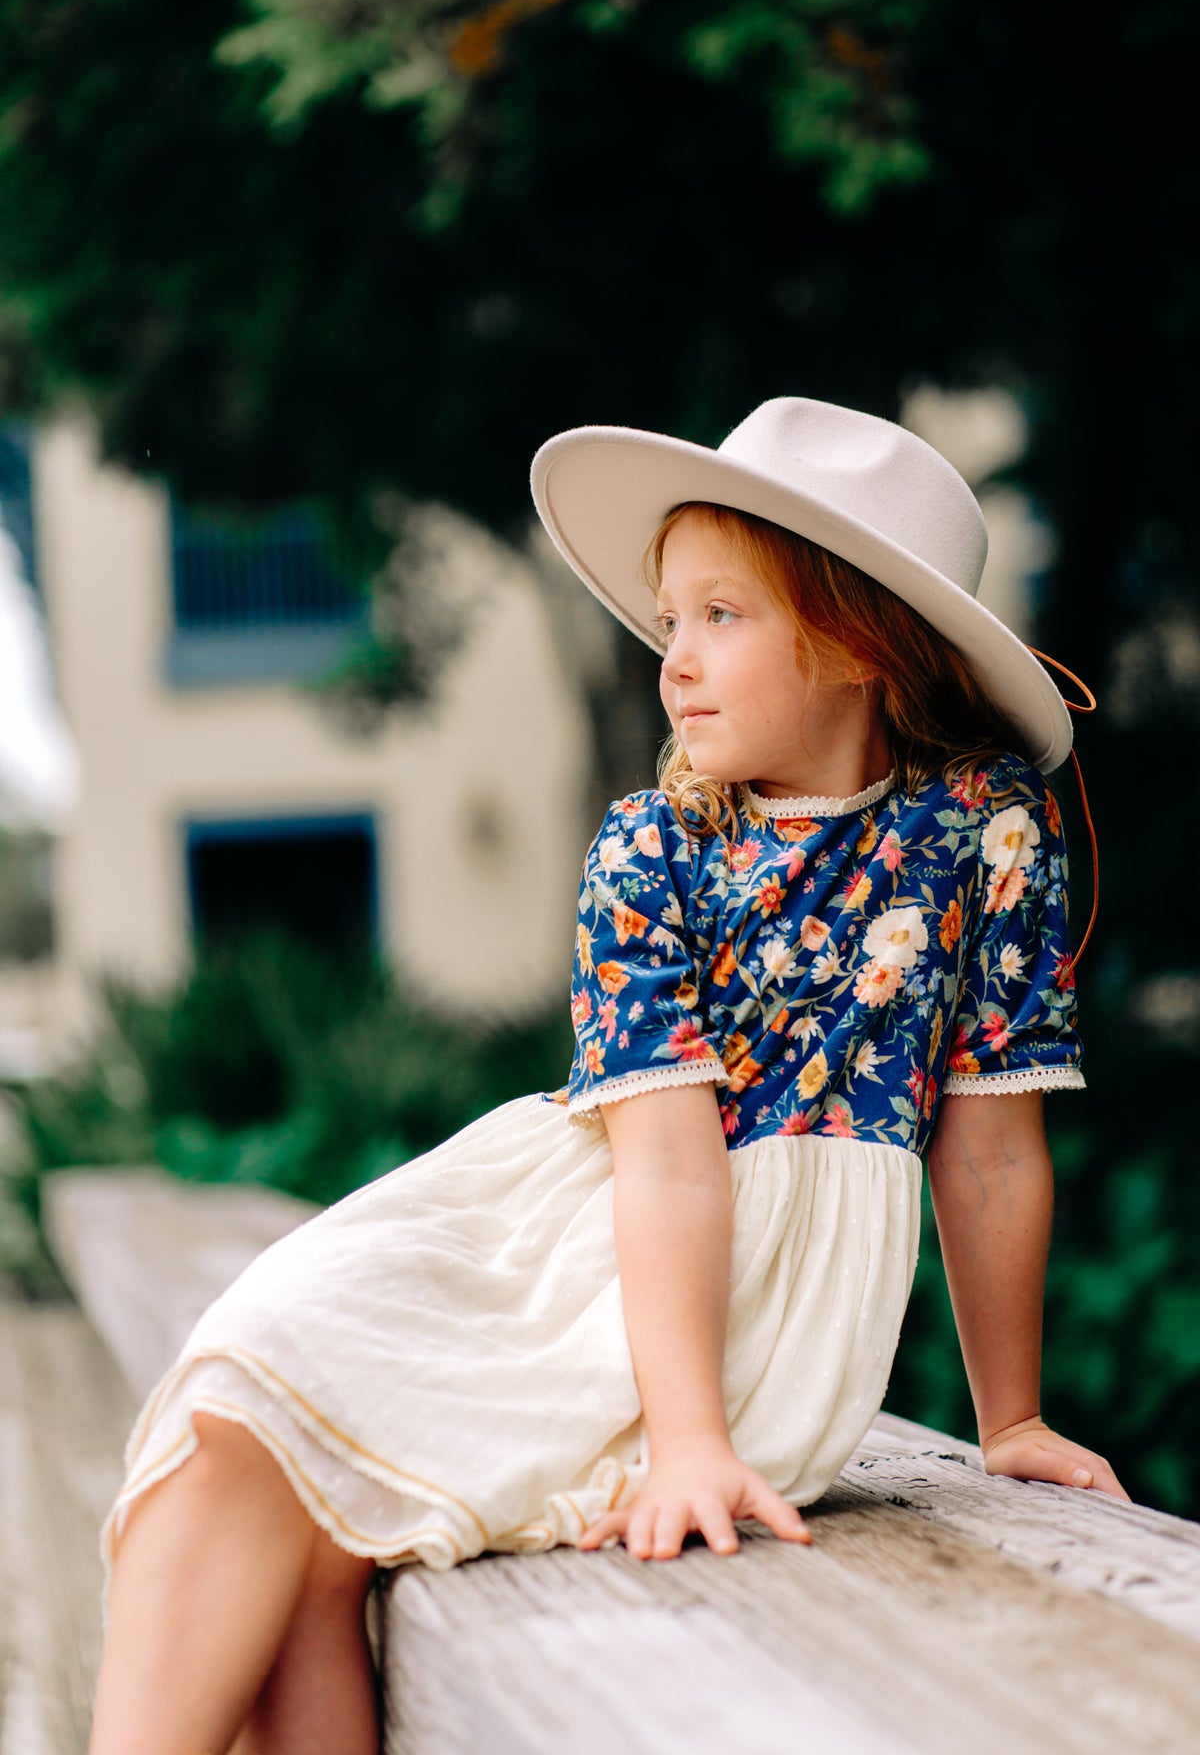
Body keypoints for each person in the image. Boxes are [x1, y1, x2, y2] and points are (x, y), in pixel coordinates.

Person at [88, 397, 1128, 1755]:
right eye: (670, 618)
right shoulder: (652, 846)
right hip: (576, 1241)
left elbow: (989, 1143)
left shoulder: (987, 832)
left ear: (858, 641)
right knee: (259, 1457)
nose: (672, 662)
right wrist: (688, 1430)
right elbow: (659, 1151)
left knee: (248, 1452)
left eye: (720, 616)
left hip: (680, 1322)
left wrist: (1013, 1418)